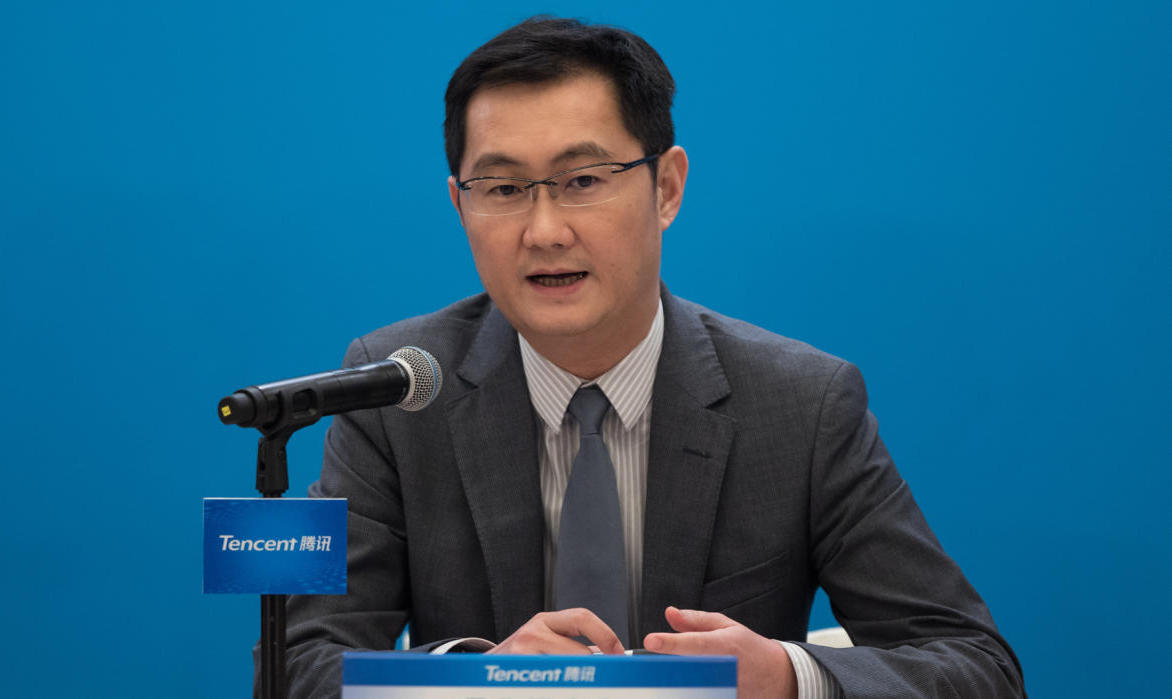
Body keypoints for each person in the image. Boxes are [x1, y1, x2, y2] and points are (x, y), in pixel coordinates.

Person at [270, 16, 1025, 699]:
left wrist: (791, 677)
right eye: (502, 188)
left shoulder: (802, 403)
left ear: (666, 187)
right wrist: (478, 675)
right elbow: (297, 665)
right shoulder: (397, 393)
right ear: (459, 205)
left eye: (583, 181)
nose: (543, 229)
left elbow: (977, 666)